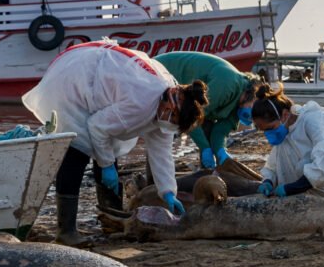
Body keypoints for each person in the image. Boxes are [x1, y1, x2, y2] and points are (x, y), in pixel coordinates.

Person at [21, 39, 208, 244]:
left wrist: (169, 192)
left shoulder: (168, 101)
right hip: (73, 78)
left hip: (98, 80)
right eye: (172, 120)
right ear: (173, 106)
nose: (170, 124)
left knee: (107, 152)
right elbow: (97, 127)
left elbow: (161, 152)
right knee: (78, 150)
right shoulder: (141, 102)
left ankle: (111, 220)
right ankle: (66, 232)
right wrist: (107, 165)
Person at [156, 51, 263, 170]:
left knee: (206, 129)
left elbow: (220, 131)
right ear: (254, 93)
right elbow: (191, 114)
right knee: (158, 132)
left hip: (188, 99)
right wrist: (205, 147)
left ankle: (207, 172)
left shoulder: (239, 105)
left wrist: (221, 151)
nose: (251, 116)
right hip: (163, 72)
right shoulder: (228, 85)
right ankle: (154, 181)